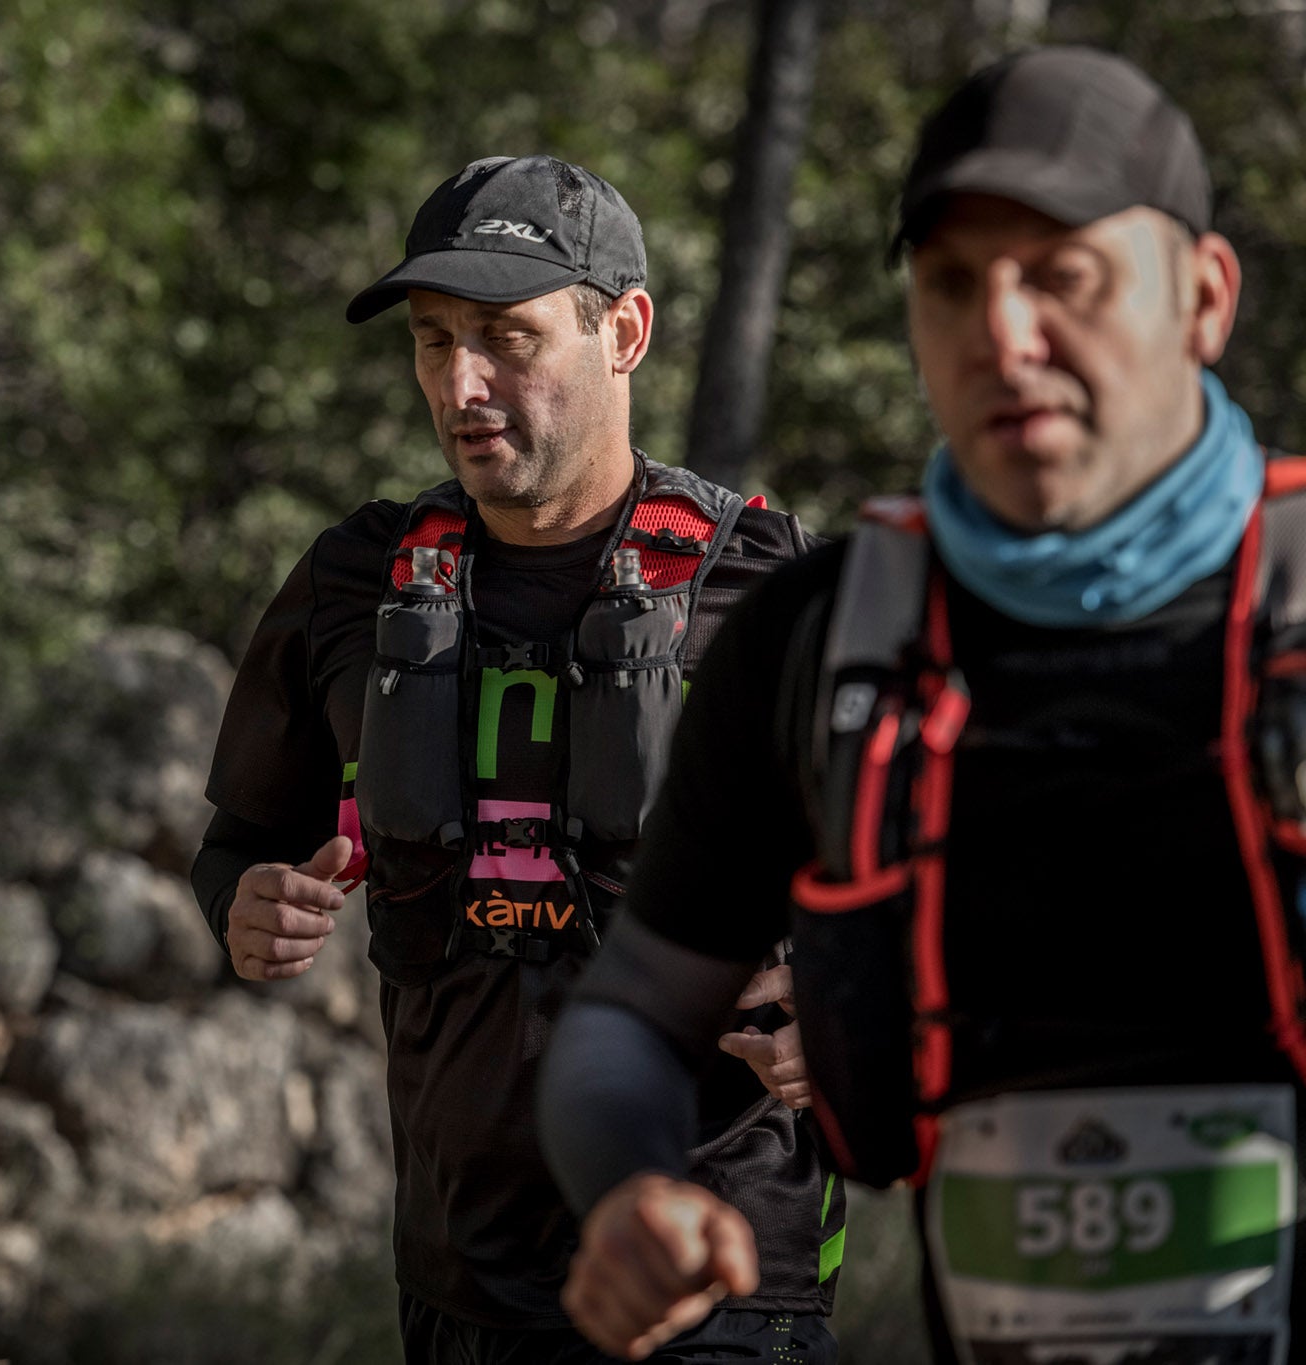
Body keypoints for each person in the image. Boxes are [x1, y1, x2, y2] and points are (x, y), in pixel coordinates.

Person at [538, 46, 1306, 1365]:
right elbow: (630, 1014)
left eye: (1064, 276)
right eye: (952, 282)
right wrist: (630, 1187)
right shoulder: (827, 639)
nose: (1001, 333)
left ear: (1205, 297)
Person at [192, 154, 841, 1364]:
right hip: (459, 1284)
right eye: (433, 342)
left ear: (623, 331)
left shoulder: (776, 590)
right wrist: (242, 902)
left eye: (507, 336)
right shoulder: (354, 581)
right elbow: (238, 844)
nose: (462, 383)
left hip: (719, 1283)